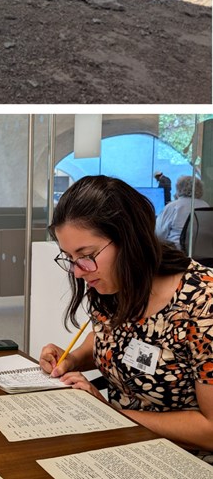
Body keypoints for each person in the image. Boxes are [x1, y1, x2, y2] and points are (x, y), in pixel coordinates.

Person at [39, 175, 213, 462]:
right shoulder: (114, 284)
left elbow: (210, 430)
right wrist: (70, 359)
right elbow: (107, 339)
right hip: (121, 445)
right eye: (69, 258)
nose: (78, 271)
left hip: (185, 461)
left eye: (86, 255)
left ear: (130, 239)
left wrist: (113, 414)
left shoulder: (201, 304)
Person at [156, 175, 209, 248]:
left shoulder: (173, 206)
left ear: (179, 189)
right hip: (202, 252)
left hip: (176, 253)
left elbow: (159, 235)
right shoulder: (205, 206)